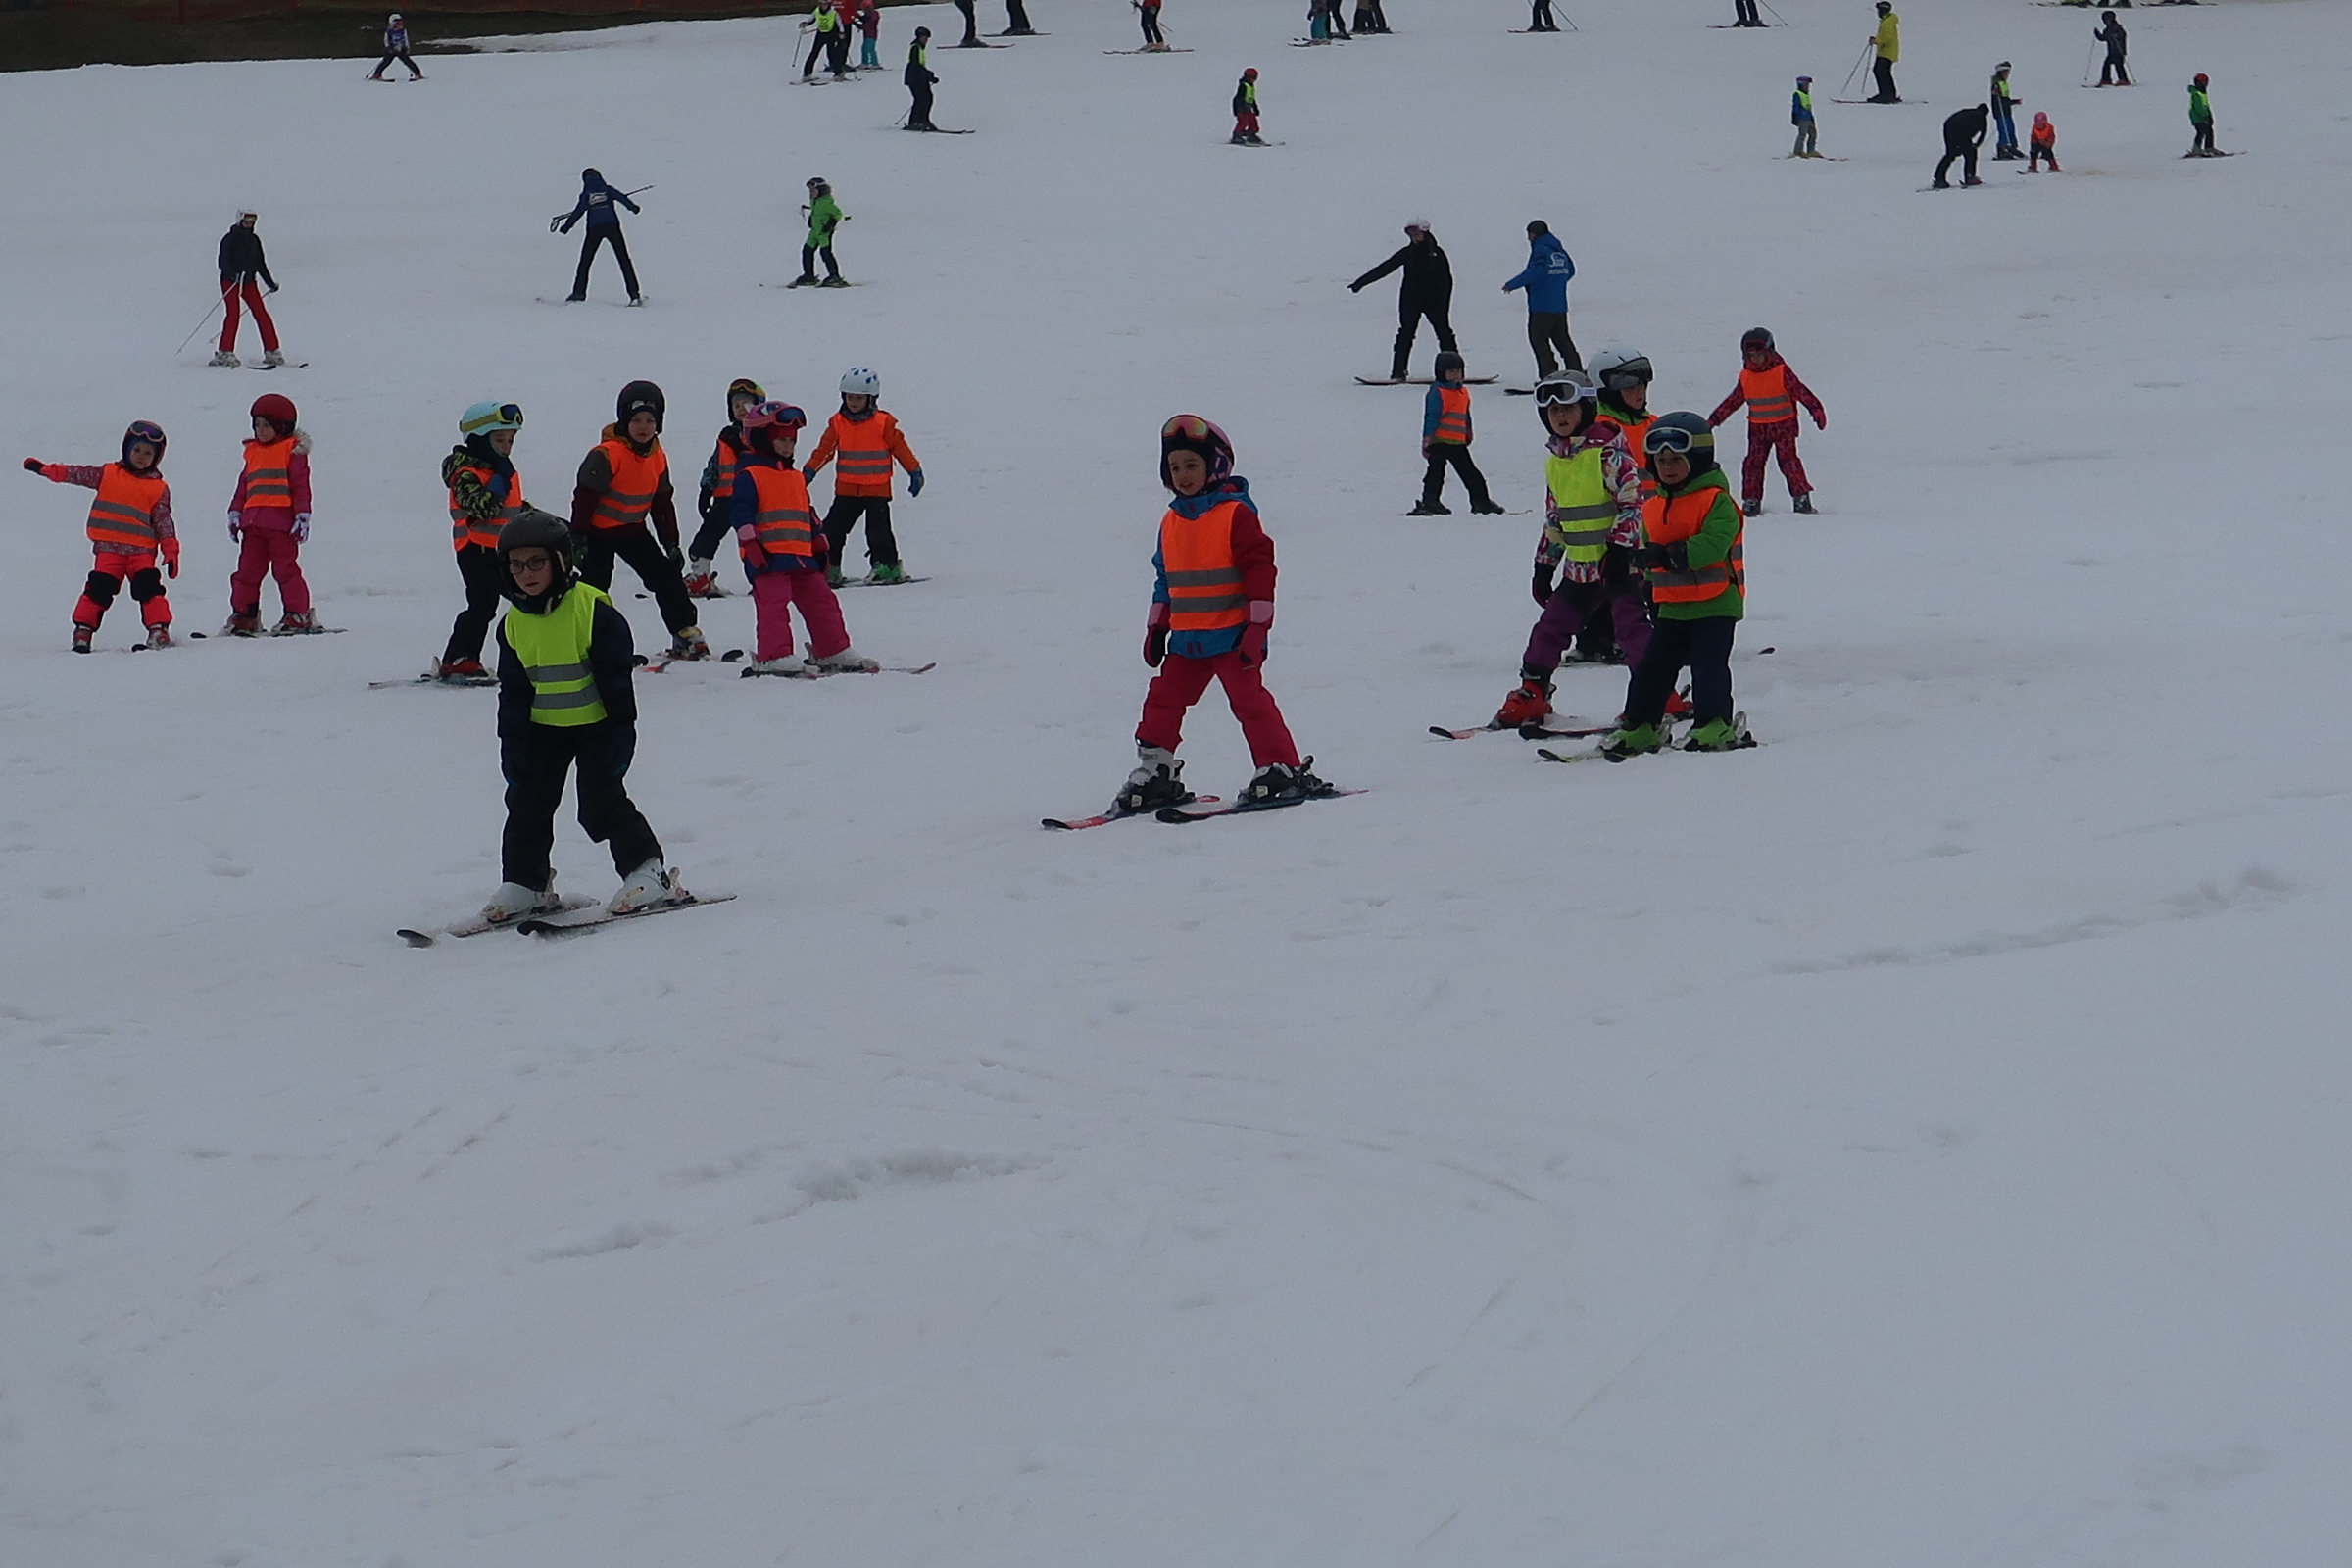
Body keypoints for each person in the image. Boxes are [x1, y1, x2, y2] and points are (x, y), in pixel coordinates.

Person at [1112, 415, 1335, 814]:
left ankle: (1280, 768)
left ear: (1215, 466)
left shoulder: (1236, 514)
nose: (1183, 475)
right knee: (1162, 701)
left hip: (1232, 637)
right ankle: (1157, 770)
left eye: (1191, 465)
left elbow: (1260, 572)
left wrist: (1257, 627)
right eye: (1175, 468)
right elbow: (1165, 577)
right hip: (1187, 641)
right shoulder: (1171, 521)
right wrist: (1157, 626)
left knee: (1250, 702)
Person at [480, 509, 686, 925]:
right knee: (526, 805)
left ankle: (647, 872)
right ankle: (526, 882)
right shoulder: (513, 624)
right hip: (543, 732)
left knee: (601, 803)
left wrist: (621, 730)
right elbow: (515, 691)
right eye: (516, 565)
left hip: (598, 728)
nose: (526, 573)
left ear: (560, 561)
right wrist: (512, 743)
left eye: (536, 562)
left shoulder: (592, 610)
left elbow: (615, 679)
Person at [1491, 369, 1650, 728]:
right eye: (1553, 411)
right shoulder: (1557, 463)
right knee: (1551, 627)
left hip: (1619, 568)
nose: (1560, 416)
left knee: (1632, 630)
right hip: (1579, 569)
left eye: (1568, 408)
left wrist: (1620, 549)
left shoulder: (1609, 455)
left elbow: (1632, 504)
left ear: (1586, 409)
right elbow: (1555, 519)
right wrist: (1544, 565)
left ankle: (1656, 691)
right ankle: (1533, 690)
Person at [1599, 414, 1749, 758]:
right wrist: (1648, 584)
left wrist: (1667, 555)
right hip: (1672, 605)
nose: (1667, 468)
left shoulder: (1716, 501)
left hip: (1715, 602)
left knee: (1708, 664)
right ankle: (1641, 724)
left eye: (1676, 460)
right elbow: (1650, 548)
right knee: (1653, 666)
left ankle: (1714, 722)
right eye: (1661, 461)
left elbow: (1712, 545)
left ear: (1697, 459)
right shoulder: (1653, 506)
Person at [729, 401, 878, 675]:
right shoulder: (749, 476)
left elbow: (806, 513)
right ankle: (773, 656)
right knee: (774, 607)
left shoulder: (795, 477)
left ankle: (832, 649)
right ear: (762, 438)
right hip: (768, 558)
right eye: (781, 440)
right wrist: (750, 544)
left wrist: (819, 540)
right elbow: (740, 513)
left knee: (823, 602)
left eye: (791, 441)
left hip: (801, 557)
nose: (788, 446)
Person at [569, 380, 709, 661]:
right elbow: (584, 499)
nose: (643, 427)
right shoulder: (606, 454)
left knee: (667, 576)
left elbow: (662, 504)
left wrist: (671, 543)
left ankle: (684, 631)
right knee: (593, 590)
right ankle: (587, 643)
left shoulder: (657, 456)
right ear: (624, 421)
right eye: (636, 420)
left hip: (632, 530)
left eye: (650, 421)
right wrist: (579, 539)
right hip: (598, 533)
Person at [23, 420, 179, 653]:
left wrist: (170, 548)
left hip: (141, 554)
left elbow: (163, 520)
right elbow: (78, 474)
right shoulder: (108, 474)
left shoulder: (158, 488)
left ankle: (158, 630)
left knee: (149, 589)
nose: (141, 457)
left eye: (148, 453)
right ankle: (83, 631)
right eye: (137, 449)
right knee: (98, 589)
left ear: (156, 458)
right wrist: (47, 470)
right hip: (109, 552)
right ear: (126, 449)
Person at [805, 368, 925, 586]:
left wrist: (914, 470)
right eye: (849, 397)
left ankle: (887, 567)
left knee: (878, 531)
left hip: (876, 488)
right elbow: (824, 450)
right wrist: (810, 470)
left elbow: (900, 448)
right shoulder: (838, 422)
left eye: (859, 398)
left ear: (871, 398)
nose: (853, 402)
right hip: (847, 489)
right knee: (832, 529)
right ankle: (830, 568)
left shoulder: (883, 423)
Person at [437, 400, 528, 682]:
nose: (506, 447)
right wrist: (500, 481)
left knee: (529, 599)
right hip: (475, 550)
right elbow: (485, 508)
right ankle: (459, 659)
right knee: (483, 605)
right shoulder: (465, 475)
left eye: (510, 440)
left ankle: (540, 652)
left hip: (503, 551)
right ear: (478, 440)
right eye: (499, 439)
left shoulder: (500, 471)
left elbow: (515, 509)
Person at [223, 393, 317, 636]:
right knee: (246, 572)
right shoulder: (253, 453)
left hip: (281, 526)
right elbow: (244, 486)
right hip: (253, 525)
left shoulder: (291, 452)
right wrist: (236, 511)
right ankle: (245, 615)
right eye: (257, 425)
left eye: (266, 425)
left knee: (285, 570)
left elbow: (300, 486)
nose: (260, 430)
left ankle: (298, 614)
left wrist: (302, 515)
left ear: (282, 426)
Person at [1707, 327, 1826, 515]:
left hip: (1783, 427)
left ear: (1770, 351)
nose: (1756, 359)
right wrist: (1714, 420)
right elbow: (1733, 401)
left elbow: (1801, 391)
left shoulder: (1781, 372)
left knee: (1788, 462)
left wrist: (1816, 408)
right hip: (1758, 429)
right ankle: (1751, 500)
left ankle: (1801, 498)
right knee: (1752, 464)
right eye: (1751, 355)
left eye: (1760, 354)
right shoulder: (1746, 376)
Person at [684, 377, 765, 596]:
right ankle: (700, 575)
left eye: (745, 403)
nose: (740, 409)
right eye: (735, 405)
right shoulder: (726, 435)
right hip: (725, 498)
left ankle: (764, 579)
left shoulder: (763, 434)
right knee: (707, 536)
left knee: (754, 540)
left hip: (752, 499)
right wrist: (706, 488)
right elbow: (715, 463)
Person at [1349, 220, 1455, 382]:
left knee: (1444, 334)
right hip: (1410, 301)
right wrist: (1360, 283)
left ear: (1425, 234)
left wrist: (1443, 303)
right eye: (1412, 235)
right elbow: (1385, 267)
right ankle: (1398, 372)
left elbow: (1447, 281)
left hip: (1435, 302)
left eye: (1417, 234)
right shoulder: (1408, 253)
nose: (1415, 238)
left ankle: (1454, 371)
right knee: (1405, 335)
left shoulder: (1437, 254)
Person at [1410, 352, 1504, 516]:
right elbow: (1431, 418)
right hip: (1439, 441)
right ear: (1441, 373)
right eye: (1451, 372)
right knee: (1436, 473)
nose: (1455, 375)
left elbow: (1465, 415)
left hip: (1457, 442)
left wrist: (1468, 432)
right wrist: (1427, 440)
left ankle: (1481, 502)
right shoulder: (1437, 392)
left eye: (1458, 371)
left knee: (1471, 473)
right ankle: (1430, 501)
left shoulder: (1463, 392)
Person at [1501, 220, 1578, 379]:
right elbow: (1570, 270)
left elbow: (1534, 272)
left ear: (1534, 234)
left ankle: (1548, 375)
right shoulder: (1558, 249)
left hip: (1541, 307)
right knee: (1563, 341)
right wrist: (1555, 283)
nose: (1528, 238)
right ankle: (1576, 371)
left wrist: (1512, 284)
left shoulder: (1541, 250)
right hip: (1560, 306)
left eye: (1529, 234)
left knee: (1539, 341)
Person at [556, 170, 642, 305]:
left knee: (585, 261)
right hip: (612, 226)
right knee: (623, 259)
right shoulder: (607, 190)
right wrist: (633, 208)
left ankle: (579, 293)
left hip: (594, 229)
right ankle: (634, 295)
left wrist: (567, 227)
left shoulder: (586, 195)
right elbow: (621, 198)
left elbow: (579, 211)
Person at [214, 210, 284, 369]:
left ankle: (272, 351)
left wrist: (270, 283)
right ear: (240, 221)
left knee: (261, 314)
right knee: (233, 314)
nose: (249, 224)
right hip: (230, 281)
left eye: (252, 222)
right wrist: (233, 274)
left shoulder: (254, 240)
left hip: (249, 282)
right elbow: (222, 262)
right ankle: (225, 351)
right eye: (246, 221)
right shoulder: (229, 239)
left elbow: (260, 264)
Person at [794, 177, 849, 286]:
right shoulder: (815, 201)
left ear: (822, 190)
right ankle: (809, 276)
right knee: (807, 251)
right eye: (810, 191)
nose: (811, 193)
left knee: (825, 253)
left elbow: (838, 214)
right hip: (815, 232)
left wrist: (830, 224)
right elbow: (816, 212)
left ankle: (834, 276)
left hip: (824, 233)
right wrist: (811, 219)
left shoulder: (826, 203)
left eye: (814, 191)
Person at [1934, 103, 1989, 188]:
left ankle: (1939, 178)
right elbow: (1983, 134)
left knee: (1950, 154)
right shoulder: (1982, 117)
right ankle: (1970, 177)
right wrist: (1976, 145)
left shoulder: (1969, 112)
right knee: (1971, 154)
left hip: (1948, 125)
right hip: (1960, 130)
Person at [368, 12, 424, 79]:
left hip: (401, 49)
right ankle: (377, 74)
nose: (398, 25)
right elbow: (386, 40)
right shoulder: (389, 31)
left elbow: (406, 39)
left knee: (408, 62)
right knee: (386, 62)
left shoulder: (402, 31)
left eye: (399, 23)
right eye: (396, 23)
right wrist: (388, 48)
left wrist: (406, 48)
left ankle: (417, 74)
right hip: (392, 50)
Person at [906, 28, 942, 129]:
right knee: (922, 99)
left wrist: (929, 75)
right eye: (924, 37)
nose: (926, 40)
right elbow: (915, 64)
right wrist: (927, 75)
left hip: (919, 78)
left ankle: (923, 120)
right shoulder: (915, 48)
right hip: (915, 78)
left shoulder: (920, 48)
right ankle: (916, 121)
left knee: (927, 98)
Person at [801, 0, 845, 80]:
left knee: (832, 54)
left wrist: (841, 32)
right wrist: (805, 23)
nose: (823, 6)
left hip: (831, 35)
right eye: (821, 4)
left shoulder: (833, 11)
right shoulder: (817, 11)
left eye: (825, 4)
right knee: (814, 53)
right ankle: (807, 74)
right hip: (821, 34)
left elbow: (839, 22)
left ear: (828, 4)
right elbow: (811, 19)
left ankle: (839, 73)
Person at [1867, 2, 1900, 103]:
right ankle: (1887, 93)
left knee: (1881, 71)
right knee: (1881, 71)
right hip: (1885, 51)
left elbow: (1888, 37)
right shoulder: (1886, 21)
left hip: (1887, 51)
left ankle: (1887, 94)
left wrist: (1876, 41)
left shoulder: (1888, 22)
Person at [1989, 63, 2022, 159]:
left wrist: (2014, 101)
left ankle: (2012, 146)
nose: (2008, 75)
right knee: (2004, 130)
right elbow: (1998, 99)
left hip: (2006, 111)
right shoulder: (1997, 84)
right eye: (2006, 72)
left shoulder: (2004, 83)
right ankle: (2003, 148)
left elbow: (2005, 99)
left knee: (2010, 128)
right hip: (2000, 112)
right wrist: (1995, 92)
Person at [2187, 73, 2221, 155]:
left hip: (2202, 116)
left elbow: (2206, 106)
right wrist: (2205, 116)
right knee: (2201, 132)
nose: (2206, 85)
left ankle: (2209, 147)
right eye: (2204, 83)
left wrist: (2209, 115)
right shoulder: (2197, 94)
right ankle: (2197, 149)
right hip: (2198, 118)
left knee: (2208, 131)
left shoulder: (2202, 94)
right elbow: (2199, 107)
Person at [2095, 11, 2130, 86]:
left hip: (2119, 50)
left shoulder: (2117, 27)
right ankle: (2106, 79)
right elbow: (2104, 38)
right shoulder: (2108, 29)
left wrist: (2116, 36)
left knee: (2118, 65)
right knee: (2107, 65)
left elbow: (2122, 35)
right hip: (2111, 51)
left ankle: (2123, 79)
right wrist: (2098, 35)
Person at [1231, 67, 1262, 146]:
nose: (1254, 79)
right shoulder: (1243, 86)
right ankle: (1236, 136)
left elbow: (1252, 99)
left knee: (1253, 122)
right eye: (1252, 77)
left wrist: (1255, 108)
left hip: (1248, 108)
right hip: (1241, 108)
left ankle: (1251, 135)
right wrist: (1237, 109)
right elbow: (1237, 98)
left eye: (1255, 78)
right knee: (1243, 122)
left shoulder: (1251, 86)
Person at [1790, 75, 1819, 157]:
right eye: (1806, 85)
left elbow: (1808, 108)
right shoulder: (1798, 94)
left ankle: (1811, 151)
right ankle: (1798, 151)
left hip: (1808, 117)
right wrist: (1795, 117)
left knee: (1813, 134)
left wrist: (1812, 119)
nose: (1808, 87)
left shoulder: (1806, 95)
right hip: (1802, 118)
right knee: (1802, 134)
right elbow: (1795, 107)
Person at [858, 0, 883, 67]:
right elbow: (864, 22)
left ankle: (875, 63)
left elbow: (870, 22)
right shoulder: (867, 16)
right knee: (864, 49)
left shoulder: (874, 14)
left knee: (870, 49)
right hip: (867, 35)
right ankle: (865, 62)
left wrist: (861, 24)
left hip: (871, 35)